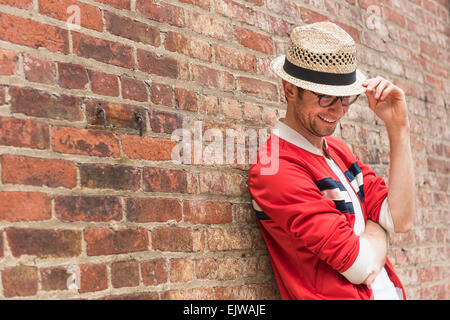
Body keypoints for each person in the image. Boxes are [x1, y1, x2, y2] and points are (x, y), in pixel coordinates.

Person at [248, 21, 415, 300]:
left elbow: (400, 219)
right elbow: (362, 266)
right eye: (326, 98)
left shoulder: (339, 152)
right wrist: (377, 229)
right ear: (290, 89)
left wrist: (398, 128)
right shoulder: (274, 169)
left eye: (346, 98)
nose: (338, 111)